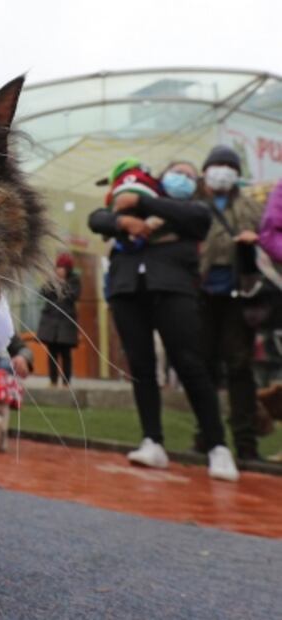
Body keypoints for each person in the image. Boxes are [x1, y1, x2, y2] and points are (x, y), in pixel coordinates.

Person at [88, 159, 239, 481]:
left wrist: (142, 202)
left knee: (189, 364)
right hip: (127, 289)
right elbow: (97, 219)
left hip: (174, 290)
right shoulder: (130, 203)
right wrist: (125, 222)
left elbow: (198, 221)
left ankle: (218, 447)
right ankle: (152, 441)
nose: (181, 178)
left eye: (187, 174)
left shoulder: (192, 209)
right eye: (176, 172)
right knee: (141, 367)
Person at [197, 146, 266, 462]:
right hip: (202, 294)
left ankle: (246, 442)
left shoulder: (251, 206)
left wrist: (255, 240)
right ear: (206, 170)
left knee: (240, 368)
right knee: (204, 367)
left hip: (240, 296)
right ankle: (206, 438)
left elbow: (269, 239)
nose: (222, 170)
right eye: (217, 165)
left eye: (229, 165)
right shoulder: (194, 205)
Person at [37, 253, 80, 387]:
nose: (59, 270)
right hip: (51, 322)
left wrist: (63, 284)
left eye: (63, 267)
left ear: (68, 269)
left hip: (66, 322)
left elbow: (74, 295)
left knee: (66, 353)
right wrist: (52, 282)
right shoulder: (52, 280)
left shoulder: (75, 280)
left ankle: (66, 382)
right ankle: (53, 380)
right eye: (58, 267)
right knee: (52, 353)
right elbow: (43, 292)